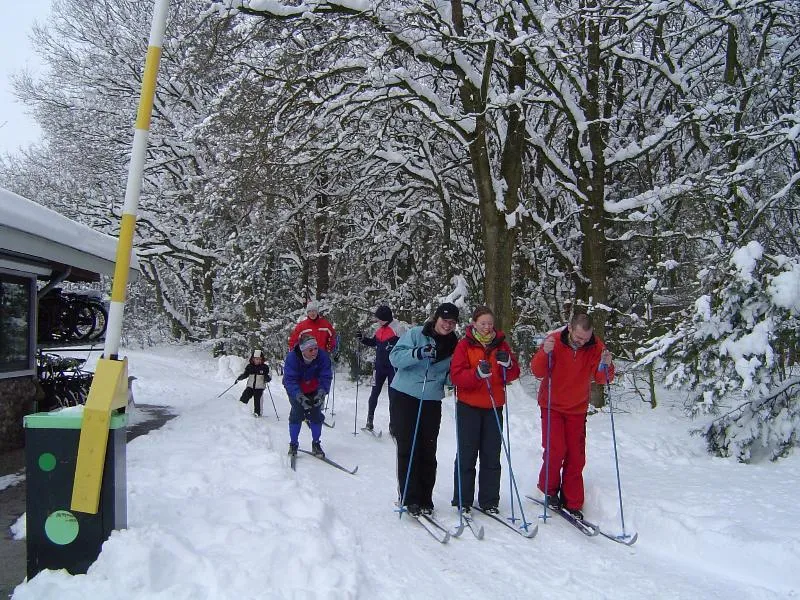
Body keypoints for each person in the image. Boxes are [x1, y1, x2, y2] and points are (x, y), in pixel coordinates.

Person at [530, 312, 614, 520]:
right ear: (570, 328)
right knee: (556, 450)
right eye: (578, 338)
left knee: (576, 457)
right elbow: (537, 371)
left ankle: (573, 501)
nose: (581, 342)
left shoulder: (595, 346)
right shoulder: (555, 341)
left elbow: (602, 378)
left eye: (585, 339)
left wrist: (607, 364)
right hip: (552, 405)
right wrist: (544, 352)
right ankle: (548, 490)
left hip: (577, 408)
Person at [389, 302, 459, 517]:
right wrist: (418, 353)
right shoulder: (417, 333)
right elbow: (395, 357)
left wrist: (453, 379)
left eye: (452, 322)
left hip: (430, 399)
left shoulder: (455, 345)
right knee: (408, 447)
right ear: (436, 318)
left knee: (428, 449)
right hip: (405, 395)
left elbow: (449, 375)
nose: (447, 325)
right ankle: (409, 497)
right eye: (444, 320)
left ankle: (425, 498)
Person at [449, 306, 520, 514]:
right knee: (467, 453)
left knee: (491, 455)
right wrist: (476, 374)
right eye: (483, 323)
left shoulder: (501, 344)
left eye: (490, 323)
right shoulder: (465, 345)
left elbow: (514, 372)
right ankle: (463, 499)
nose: (487, 327)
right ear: (474, 324)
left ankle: (489, 501)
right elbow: (456, 376)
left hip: (493, 406)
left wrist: (508, 365)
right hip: (468, 406)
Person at [283, 333, 333, 457]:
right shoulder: (292, 358)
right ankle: (293, 444)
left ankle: (316, 443)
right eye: (310, 350)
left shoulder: (322, 357)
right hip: (296, 390)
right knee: (297, 413)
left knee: (316, 414)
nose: (314, 352)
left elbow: (326, 376)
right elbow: (290, 380)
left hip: (314, 389)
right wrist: (299, 396)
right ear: (303, 350)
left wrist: (322, 392)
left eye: (316, 348)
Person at [357, 305, 405, 432]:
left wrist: (395, 348)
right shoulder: (380, 328)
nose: (377, 321)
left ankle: (393, 425)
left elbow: (405, 346)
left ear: (386, 318)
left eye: (379, 319)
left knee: (393, 396)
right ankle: (369, 421)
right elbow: (374, 342)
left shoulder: (398, 328)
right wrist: (362, 339)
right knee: (374, 393)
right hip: (378, 367)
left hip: (392, 368)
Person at [236, 350, 271, 417]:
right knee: (244, 396)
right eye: (256, 359)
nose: (258, 361)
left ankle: (257, 413)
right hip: (250, 386)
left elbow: (269, 375)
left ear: (262, 359)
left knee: (257, 400)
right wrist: (241, 377)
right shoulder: (249, 366)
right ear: (253, 359)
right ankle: (240, 409)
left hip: (259, 387)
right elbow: (245, 374)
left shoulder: (265, 367)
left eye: (260, 359)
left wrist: (267, 378)